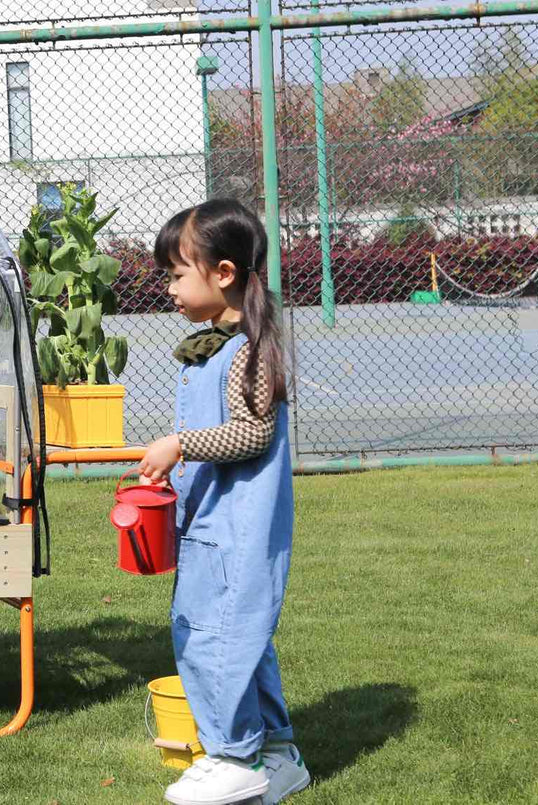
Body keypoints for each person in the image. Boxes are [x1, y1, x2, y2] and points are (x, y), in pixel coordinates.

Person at [137, 199, 310, 805]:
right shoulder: (215, 347)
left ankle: (235, 754)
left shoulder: (250, 350)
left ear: (225, 274)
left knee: (217, 637)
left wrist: (178, 444)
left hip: (239, 527)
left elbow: (253, 432)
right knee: (242, 635)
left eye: (178, 274)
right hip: (210, 523)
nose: (169, 287)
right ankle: (279, 754)